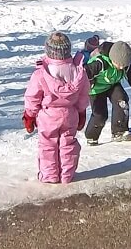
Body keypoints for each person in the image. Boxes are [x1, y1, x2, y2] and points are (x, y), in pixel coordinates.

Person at [23, 32, 90, 184]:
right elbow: (83, 95)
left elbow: (33, 97)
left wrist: (29, 115)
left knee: (48, 145)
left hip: (48, 116)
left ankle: (50, 175)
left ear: (49, 50)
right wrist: (81, 112)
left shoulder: (41, 73)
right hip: (70, 113)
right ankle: (67, 175)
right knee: (68, 143)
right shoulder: (78, 71)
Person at [83, 41, 131, 145]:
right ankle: (91, 136)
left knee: (122, 99)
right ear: (111, 58)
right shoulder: (100, 63)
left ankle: (119, 131)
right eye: (118, 64)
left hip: (112, 84)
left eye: (123, 66)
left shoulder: (125, 65)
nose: (120, 67)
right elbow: (84, 74)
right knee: (100, 116)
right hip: (96, 89)